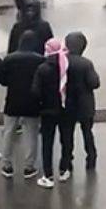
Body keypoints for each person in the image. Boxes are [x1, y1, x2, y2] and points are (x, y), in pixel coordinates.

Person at [0, 31, 44, 180]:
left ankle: (7, 164)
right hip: (33, 101)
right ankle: (29, 166)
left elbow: (1, 79)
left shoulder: (9, 59)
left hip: (13, 100)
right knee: (31, 134)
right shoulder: (40, 60)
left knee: (8, 132)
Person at [57, 32, 100, 176]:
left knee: (67, 135)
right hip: (85, 105)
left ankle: (66, 161)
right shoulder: (86, 63)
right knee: (87, 132)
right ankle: (91, 158)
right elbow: (95, 83)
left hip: (66, 104)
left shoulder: (61, 63)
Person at [32, 37, 66, 188]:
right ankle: (65, 169)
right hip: (64, 109)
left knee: (47, 143)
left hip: (47, 110)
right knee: (66, 139)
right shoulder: (65, 66)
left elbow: (35, 91)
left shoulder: (42, 69)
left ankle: (48, 175)